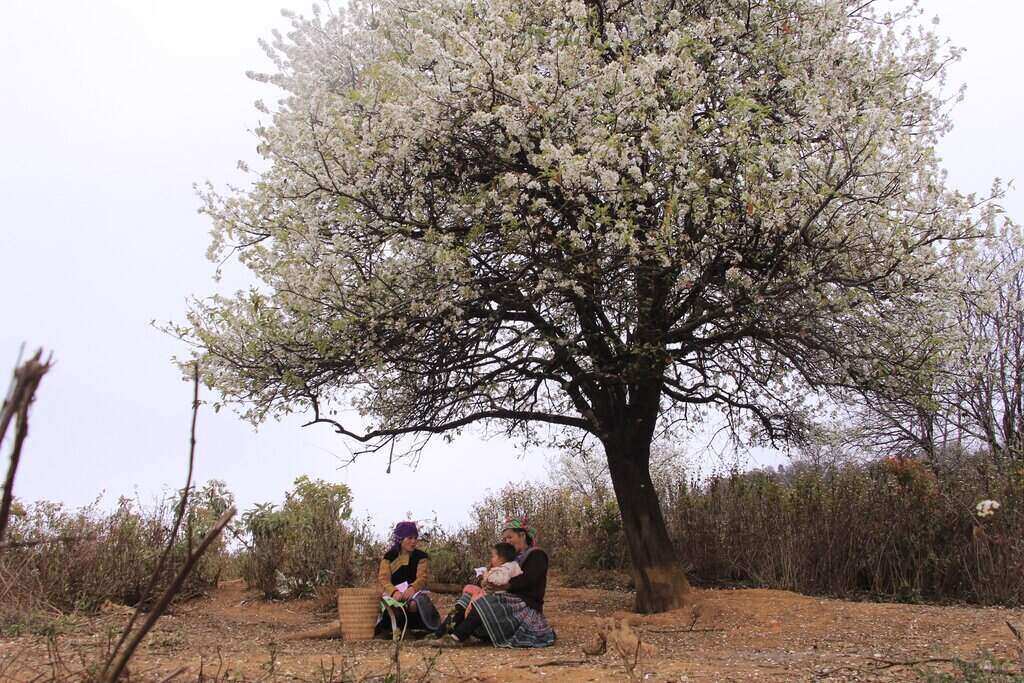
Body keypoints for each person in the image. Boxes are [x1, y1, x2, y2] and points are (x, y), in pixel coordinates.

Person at [435, 519, 555, 648]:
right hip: (506, 600)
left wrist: (503, 586)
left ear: (522, 535)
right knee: (468, 597)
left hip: (525, 604)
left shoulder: (536, 555)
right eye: (505, 539)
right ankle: (440, 633)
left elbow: (528, 581)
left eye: (510, 537)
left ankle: (457, 638)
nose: (507, 541)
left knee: (486, 601)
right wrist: (484, 582)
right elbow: (490, 572)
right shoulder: (509, 556)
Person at [375, 521, 440, 636]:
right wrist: (394, 592)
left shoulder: (421, 557)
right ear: (400, 539)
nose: (413, 541)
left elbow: (422, 578)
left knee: (414, 604)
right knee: (392, 607)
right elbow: (384, 579)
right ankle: (395, 629)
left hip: (414, 594)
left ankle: (414, 627)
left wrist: (412, 589)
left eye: (415, 538)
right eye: (409, 538)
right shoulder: (389, 557)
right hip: (394, 594)